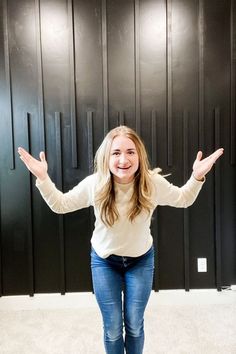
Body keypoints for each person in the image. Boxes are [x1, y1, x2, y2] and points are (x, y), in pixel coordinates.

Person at [18, 125, 223, 354]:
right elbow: (61, 204)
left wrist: (197, 176)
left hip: (141, 262)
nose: (123, 159)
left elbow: (183, 198)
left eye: (130, 152)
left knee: (134, 326)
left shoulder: (151, 183)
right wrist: (43, 178)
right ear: (107, 156)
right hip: (105, 262)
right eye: (116, 152)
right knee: (113, 329)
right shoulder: (95, 183)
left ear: (139, 156)